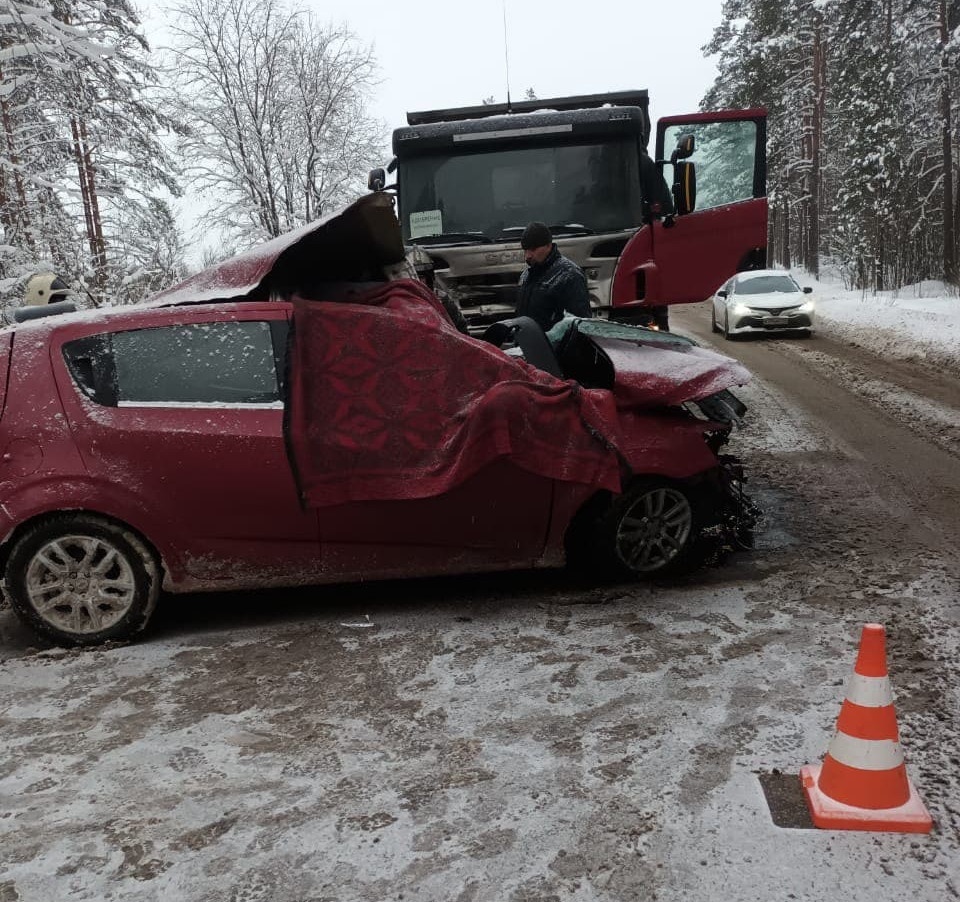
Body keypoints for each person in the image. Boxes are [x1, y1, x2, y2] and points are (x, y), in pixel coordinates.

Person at [516, 222, 592, 332]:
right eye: (525, 250)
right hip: (529, 345)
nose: (528, 256)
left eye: (533, 249)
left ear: (548, 245)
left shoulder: (569, 275)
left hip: (555, 347)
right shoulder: (526, 275)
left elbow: (580, 324)